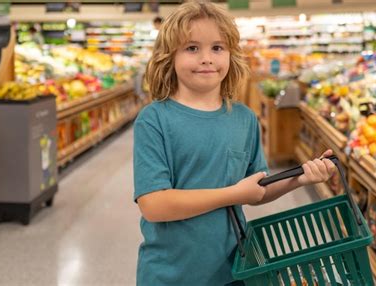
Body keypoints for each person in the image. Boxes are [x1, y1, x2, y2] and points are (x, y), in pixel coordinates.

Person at [133, 2, 335, 285]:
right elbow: (154, 204)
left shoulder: (244, 119)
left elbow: (258, 189)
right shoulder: (154, 120)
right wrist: (233, 194)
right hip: (170, 274)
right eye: (192, 48)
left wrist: (301, 176)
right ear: (169, 56)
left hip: (234, 270)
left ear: (231, 55)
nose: (207, 58)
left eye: (217, 48)